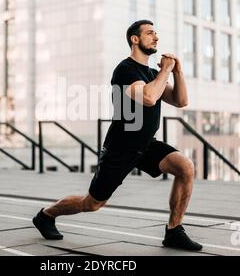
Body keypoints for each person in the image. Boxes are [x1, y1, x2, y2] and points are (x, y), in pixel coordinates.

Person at [33, 20, 202, 251]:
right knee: (92, 203)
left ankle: (173, 231)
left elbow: (181, 101)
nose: (156, 37)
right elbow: (149, 97)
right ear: (135, 39)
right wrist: (165, 71)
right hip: (121, 147)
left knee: (185, 167)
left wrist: (178, 72)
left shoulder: (153, 73)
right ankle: (46, 215)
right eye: (150, 33)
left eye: (157, 33)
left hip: (146, 144)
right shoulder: (125, 70)